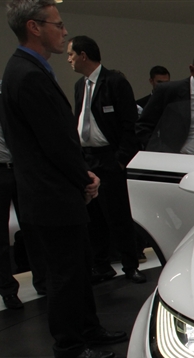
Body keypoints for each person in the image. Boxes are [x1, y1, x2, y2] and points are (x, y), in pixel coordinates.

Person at [1, 0, 126, 358]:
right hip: (51, 194)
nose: (64, 31)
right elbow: (54, 141)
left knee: (79, 266)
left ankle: (88, 329)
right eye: (57, 24)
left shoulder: (26, 70)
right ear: (34, 27)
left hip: (54, 192)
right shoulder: (28, 75)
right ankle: (70, 346)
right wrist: (83, 177)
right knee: (65, 274)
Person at [0, 40, 47, 309]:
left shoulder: (5, 89)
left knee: (33, 228)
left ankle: (43, 281)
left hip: (20, 167)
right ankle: (7, 291)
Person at [67, 35, 145, 284]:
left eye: (71, 54)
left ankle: (130, 265)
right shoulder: (80, 86)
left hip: (110, 157)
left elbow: (130, 124)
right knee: (94, 217)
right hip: (88, 158)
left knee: (118, 215)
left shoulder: (114, 82)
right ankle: (101, 265)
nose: (68, 59)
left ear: (83, 55)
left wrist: (120, 160)